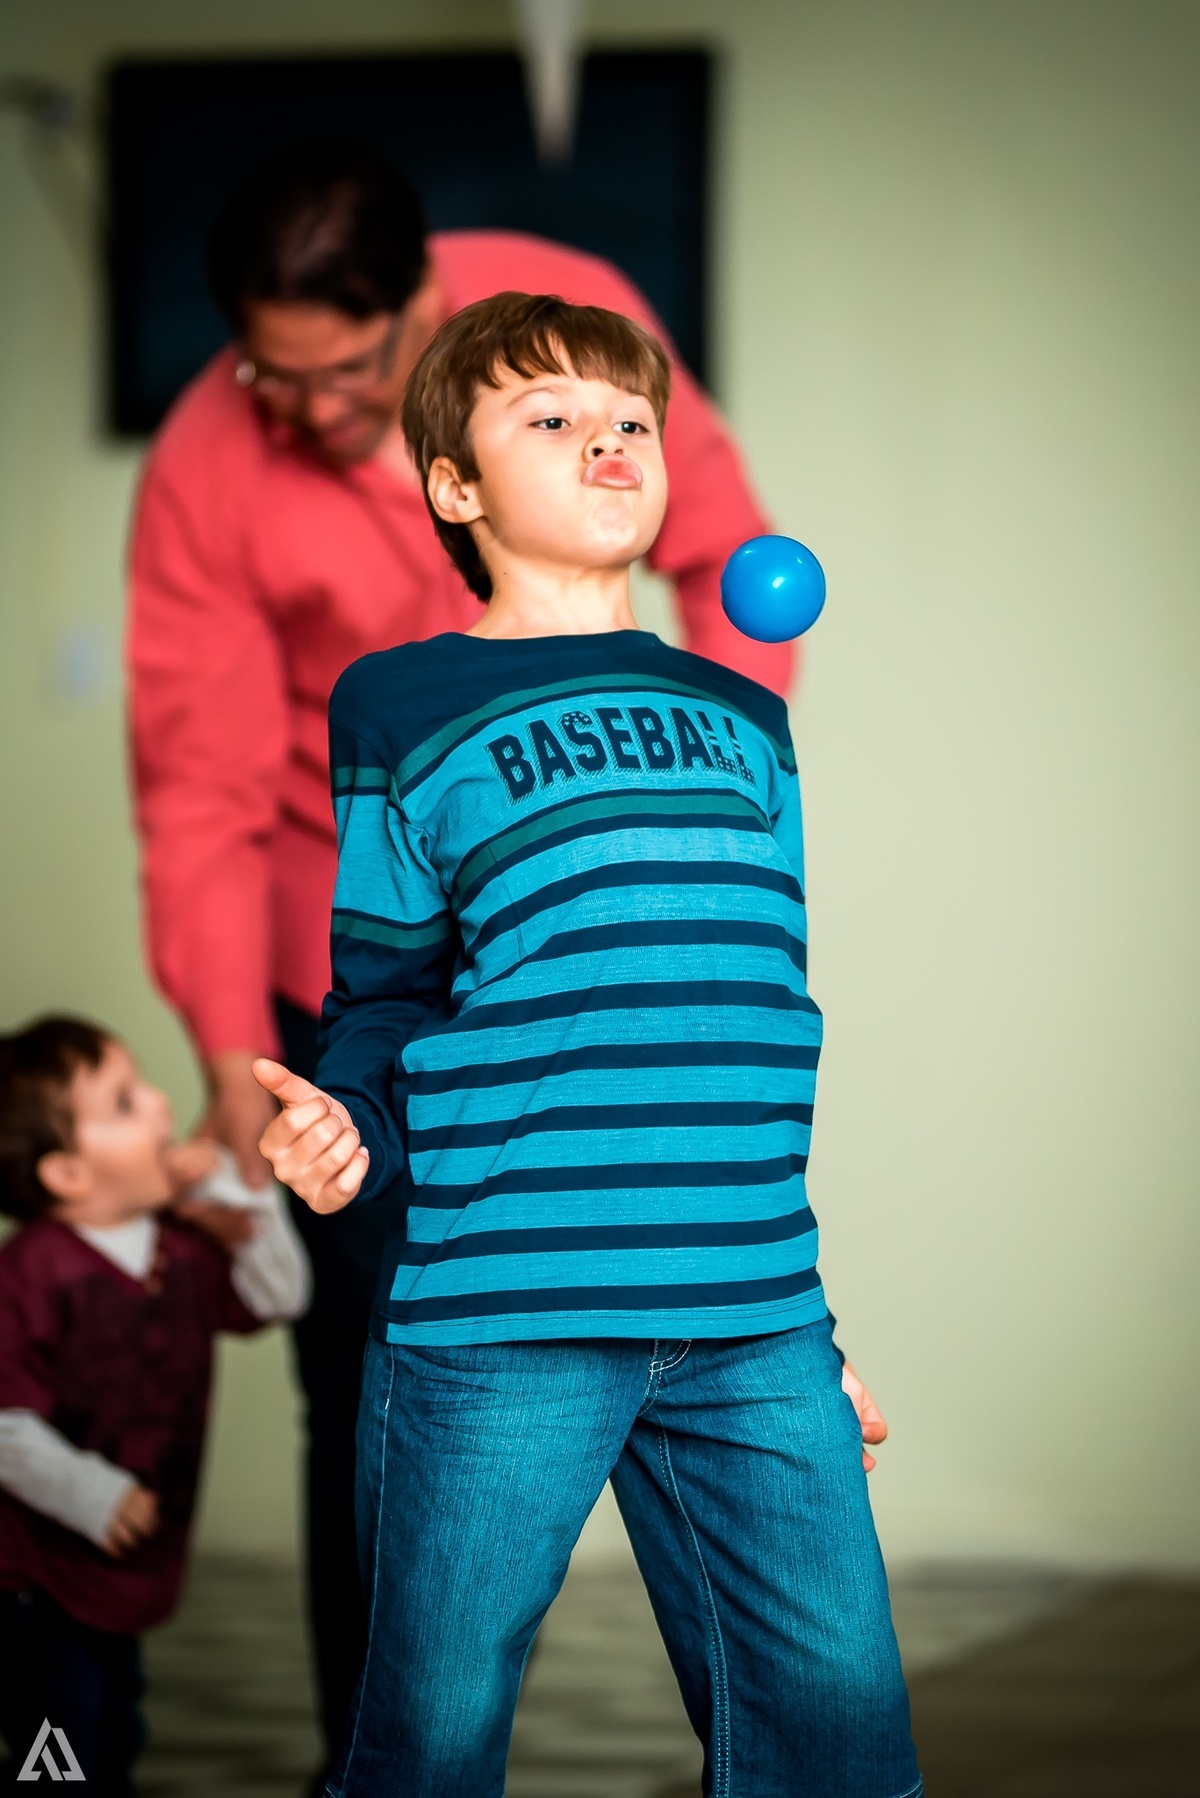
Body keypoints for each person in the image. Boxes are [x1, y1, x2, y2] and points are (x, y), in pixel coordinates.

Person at [126, 136, 792, 1764]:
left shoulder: (567, 327)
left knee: (675, 1298)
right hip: (353, 947)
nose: (306, 411)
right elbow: (200, 783)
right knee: (365, 1351)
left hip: (572, 932)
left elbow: (724, 551)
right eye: (270, 376)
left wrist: (709, 800)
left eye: (346, 371)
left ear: (420, 305)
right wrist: (229, 1055)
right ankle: (382, 1756)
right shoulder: (210, 460)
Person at [254, 292, 922, 1798]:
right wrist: (351, 1118)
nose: (608, 441)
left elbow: (743, 1018)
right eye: (550, 419)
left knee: (842, 1746)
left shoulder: (746, 716)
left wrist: (814, 1336)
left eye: (632, 420)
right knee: (427, 1749)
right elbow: (386, 992)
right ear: (456, 487)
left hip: (751, 1314)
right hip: (501, 1308)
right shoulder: (399, 703)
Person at [0, 1016, 309, 1794]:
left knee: (113, 1733)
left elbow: (281, 1295)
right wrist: (93, 1496)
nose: (163, 1104)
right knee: (57, 1752)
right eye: (125, 1102)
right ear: (68, 1173)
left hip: (125, 1573)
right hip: (36, 1579)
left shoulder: (181, 1246)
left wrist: (244, 1196)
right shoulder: (30, 1272)